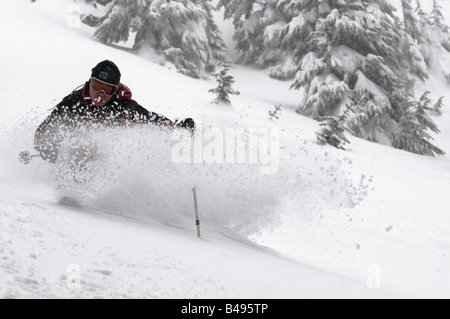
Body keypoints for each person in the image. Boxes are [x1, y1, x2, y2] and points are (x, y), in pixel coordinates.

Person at [35, 60, 195, 163]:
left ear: (114, 91)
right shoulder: (73, 102)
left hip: (106, 159)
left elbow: (151, 119)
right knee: (80, 147)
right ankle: (70, 184)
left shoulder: (122, 107)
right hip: (73, 152)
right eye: (97, 87)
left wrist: (179, 127)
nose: (101, 95)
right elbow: (44, 130)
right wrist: (48, 148)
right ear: (89, 83)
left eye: (107, 90)